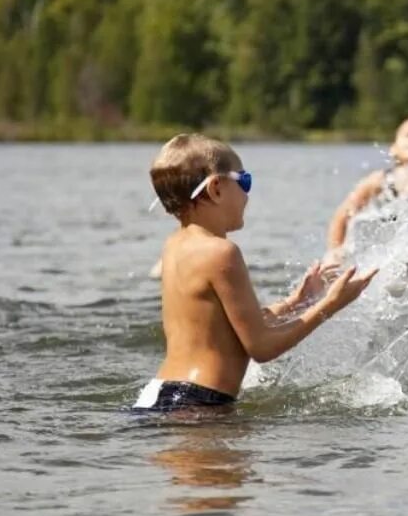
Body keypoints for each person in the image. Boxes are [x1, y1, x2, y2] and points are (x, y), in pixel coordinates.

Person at [135, 134, 377, 412]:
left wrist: (295, 302)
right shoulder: (221, 252)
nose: (247, 194)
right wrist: (331, 304)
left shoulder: (175, 245)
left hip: (159, 393)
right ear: (216, 188)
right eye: (244, 181)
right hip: (197, 405)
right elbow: (262, 347)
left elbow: (226, 330)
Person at [325, 117, 408, 263]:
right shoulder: (379, 180)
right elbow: (342, 216)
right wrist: (335, 251)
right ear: (393, 149)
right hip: (382, 252)